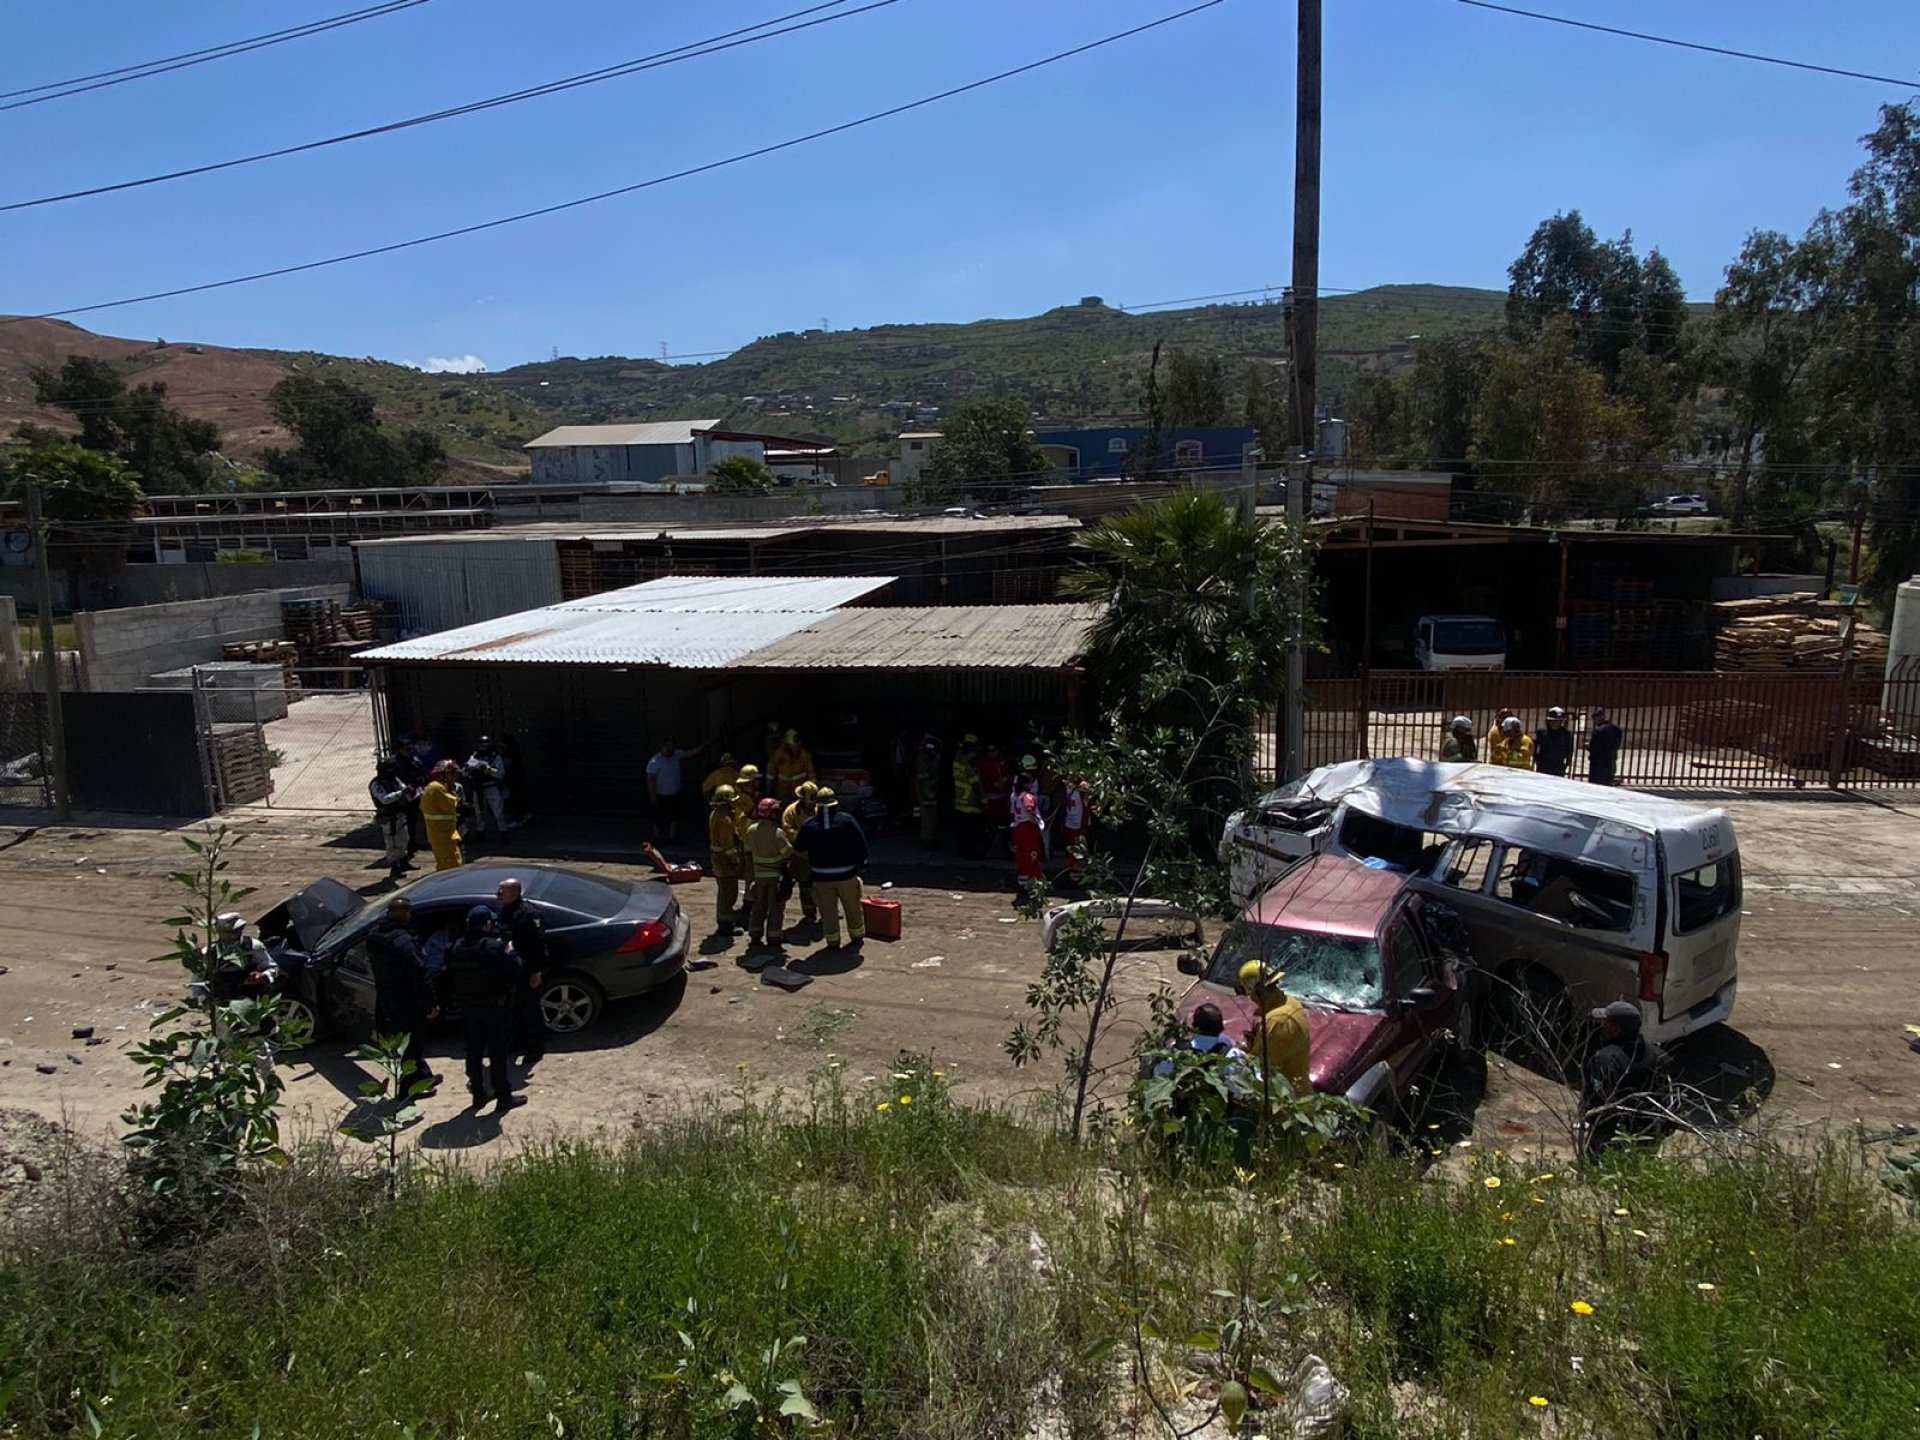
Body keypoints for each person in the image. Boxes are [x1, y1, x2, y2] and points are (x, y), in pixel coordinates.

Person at [445, 905, 523, 1112]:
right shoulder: (494, 947)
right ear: (488, 924)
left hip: (468, 1009)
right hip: (494, 1008)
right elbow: (516, 969)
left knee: (473, 1052)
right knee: (497, 1054)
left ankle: (478, 1093)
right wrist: (511, 949)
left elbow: (448, 976)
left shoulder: (454, 947)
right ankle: (503, 1096)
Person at [1580, 1000, 1671, 1159]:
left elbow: (1598, 1103)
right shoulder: (1661, 1057)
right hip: (1648, 1137)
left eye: (1605, 1022)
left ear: (1616, 1029)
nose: (1601, 1025)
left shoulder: (1604, 1060)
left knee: (1597, 1177)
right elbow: (1670, 1099)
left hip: (1612, 1139)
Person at [366, 896, 439, 1089]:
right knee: (412, 1043)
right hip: (406, 998)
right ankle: (409, 1088)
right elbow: (419, 974)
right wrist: (430, 1002)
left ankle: (423, 1077)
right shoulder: (403, 941)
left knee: (408, 1040)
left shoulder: (375, 935)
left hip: (387, 996)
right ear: (405, 914)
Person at [794, 786, 867, 950]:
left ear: (816, 805)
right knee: (852, 908)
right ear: (835, 804)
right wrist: (862, 864)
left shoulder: (808, 824)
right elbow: (861, 844)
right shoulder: (847, 820)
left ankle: (833, 941)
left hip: (821, 878)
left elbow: (798, 847)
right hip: (847, 875)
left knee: (828, 912)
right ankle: (856, 937)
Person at [494, 877, 548, 1067]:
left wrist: (536, 972)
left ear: (515, 893)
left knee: (530, 1009)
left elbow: (538, 945)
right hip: (510, 970)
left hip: (527, 969)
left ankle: (536, 1047)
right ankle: (519, 1041)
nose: (498, 894)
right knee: (515, 1008)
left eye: (502, 891)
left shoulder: (527, 914)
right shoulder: (503, 911)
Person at [1239, 960, 1312, 1100]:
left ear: (1257, 992)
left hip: (1286, 1106)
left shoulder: (1277, 1021)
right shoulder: (1289, 1002)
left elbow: (1260, 1068)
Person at [744, 797, 792, 951]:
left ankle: (755, 934)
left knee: (758, 907)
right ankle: (774, 937)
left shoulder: (751, 830)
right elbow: (787, 853)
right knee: (775, 908)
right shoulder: (777, 833)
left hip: (758, 877)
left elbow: (749, 849)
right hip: (775, 877)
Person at [1152, 1002, 1248, 1076]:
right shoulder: (1233, 1056)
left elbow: (1158, 1074)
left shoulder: (1177, 1053)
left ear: (1194, 1027)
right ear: (1220, 1028)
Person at [645, 737, 708, 844]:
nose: (670, 749)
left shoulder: (676, 755)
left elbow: (690, 753)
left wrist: (704, 745)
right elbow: (650, 780)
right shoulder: (655, 761)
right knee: (658, 816)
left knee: (674, 816)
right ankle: (657, 837)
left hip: (675, 792)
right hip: (661, 794)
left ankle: (672, 837)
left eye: (672, 746)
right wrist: (652, 795)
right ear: (663, 747)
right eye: (667, 746)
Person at [780, 781, 821, 930]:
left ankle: (827, 911)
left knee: (822, 885)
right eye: (812, 799)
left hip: (816, 854)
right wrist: (804, 836)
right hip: (799, 855)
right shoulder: (791, 811)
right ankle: (810, 913)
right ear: (802, 798)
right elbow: (786, 830)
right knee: (805, 885)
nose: (813, 803)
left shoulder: (818, 810)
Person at [369, 758, 416, 882]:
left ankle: (403, 862)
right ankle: (394, 867)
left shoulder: (394, 779)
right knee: (392, 843)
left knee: (404, 839)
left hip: (400, 814)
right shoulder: (376, 784)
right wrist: (401, 792)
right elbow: (384, 799)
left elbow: (403, 788)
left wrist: (410, 792)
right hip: (388, 817)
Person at [707, 783, 745, 935]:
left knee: (723, 890)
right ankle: (726, 924)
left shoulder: (714, 814)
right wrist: (735, 861)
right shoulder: (725, 820)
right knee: (729, 891)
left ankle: (725, 920)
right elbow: (728, 845)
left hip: (717, 858)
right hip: (724, 860)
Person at [420, 760, 465, 871]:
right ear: (442, 775)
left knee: (446, 865)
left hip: (445, 833)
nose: (455, 777)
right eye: (452, 774)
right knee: (451, 867)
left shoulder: (438, 787)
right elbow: (453, 805)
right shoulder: (436, 788)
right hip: (442, 834)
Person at [465, 737, 509, 843]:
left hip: (491, 787)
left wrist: (486, 768)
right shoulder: (475, 756)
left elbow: (500, 773)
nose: (483, 747)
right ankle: (480, 833)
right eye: (481, 745)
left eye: (485, 745)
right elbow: (466, 771)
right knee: (479, 812)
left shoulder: (495, 757)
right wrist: (469, 768)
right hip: (478, 788)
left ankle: (503, 832)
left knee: (498, 812)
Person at [392, 735, 429, 854]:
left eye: (410, 748)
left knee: (418, 819)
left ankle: (417, 841)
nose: (409, 751)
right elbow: (393, 779)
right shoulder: (394, 763)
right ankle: (407, 844)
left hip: (416, 793)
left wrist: (418, 785)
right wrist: (404, 788)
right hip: (403, 795)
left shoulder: (415, 760)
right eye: (406, 749)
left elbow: (422, 775)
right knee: (406, 822)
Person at [951, 735, 987, 859]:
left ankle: (963, 852)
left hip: (959, 801)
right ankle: (971, 854)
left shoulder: (957, 760)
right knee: (972, 832)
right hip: (971, 803)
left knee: (961, 832)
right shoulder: (969, 766)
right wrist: (983, 800)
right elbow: (976, 784)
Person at [1010, 791, 1045, 900]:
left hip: (1018, 828)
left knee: (1022, 857)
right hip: (1028, 829)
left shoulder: (1014, 795)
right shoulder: (1027, 796)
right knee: (1032, 857)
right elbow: (1029, 809)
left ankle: (1023, 885)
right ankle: (1034, 886)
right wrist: (1036, 821)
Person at [768, 728, 817, 803]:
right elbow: (771, 772)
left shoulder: (804, 755)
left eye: (798, 743)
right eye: (795, 743)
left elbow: (811, 773)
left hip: (798, 792)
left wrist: (813, 790)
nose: (797, 745)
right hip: (782, 792)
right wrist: (769, 790)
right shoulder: (779, 754)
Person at [1058, 776, 1091, 883]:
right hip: (1079, 823)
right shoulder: (1079, 787)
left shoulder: (1070, 786)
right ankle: (1076, 876)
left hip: (1072, 821)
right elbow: (1086, 789)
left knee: (1074, 849)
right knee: (1078, 850)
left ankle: (1075, 873)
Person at [978, 743, 1011, 849]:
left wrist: (1005, 780)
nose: (992, 753)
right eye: (989, 751)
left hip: (1002, 797)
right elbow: (981, 779)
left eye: (994, 750)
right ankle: (986, 847)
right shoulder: (983, 763)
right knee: (989, 824)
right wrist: (992, 784)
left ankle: (1004, 846)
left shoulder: (1002, 761)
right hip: (989, 797)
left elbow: (1007, 773)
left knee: (1003, 825)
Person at [912, 736, 943, 850]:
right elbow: (921, 780)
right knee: (927, 819)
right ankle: (926, 840)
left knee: (932, 819)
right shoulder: (922, 760)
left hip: (931, 794)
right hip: (926, 795)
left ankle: (931, 838)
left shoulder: (931, 757)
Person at [1534, 706, 1575, 778]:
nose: (1555, 723)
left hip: (1559, 765)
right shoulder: (1541, 732)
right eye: (1553, 721)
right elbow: (1535, 746)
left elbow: (1569, 749)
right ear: (1548, 721)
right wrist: (1536, 759)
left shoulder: (1566, 734)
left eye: (1558, 721)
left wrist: (1568, 762)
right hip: (1544, 764)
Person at [1587, 707, 1624, 786]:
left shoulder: (1598, 731)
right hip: (1611, 761)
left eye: (1595, 719)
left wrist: (1587, 746)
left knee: (1595, 786)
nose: (1595, 721)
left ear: (1599, 717)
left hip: (1598, 763)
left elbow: (1594, 748)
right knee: (1607, 784)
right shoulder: (1617, 729)